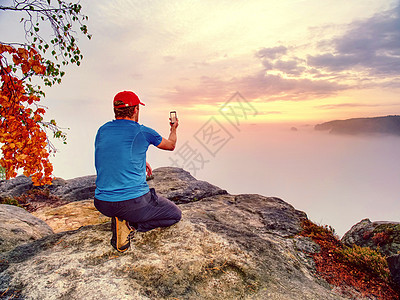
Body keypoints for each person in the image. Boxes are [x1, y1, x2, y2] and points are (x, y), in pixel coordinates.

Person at [94, 91, 182, 252]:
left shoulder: (102, 130)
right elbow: (170, 145)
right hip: (132, 204)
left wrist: (141, 161)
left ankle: (121, 219)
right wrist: (174, 129)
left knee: (123, 205)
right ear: (135, 110)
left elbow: (112, 153)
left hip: (102, 203)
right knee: (174, 214)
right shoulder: (143, 131)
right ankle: (130, 224)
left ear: (116, 110)